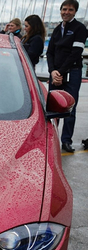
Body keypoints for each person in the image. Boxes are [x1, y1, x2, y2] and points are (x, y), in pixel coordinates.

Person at [46, 0, 88, 153]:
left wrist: (61, 72)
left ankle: (66, 141)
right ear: (60, 10)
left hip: (72, 72)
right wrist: (52, 71)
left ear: (75, 12)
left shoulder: (80, 28)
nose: (66, 12)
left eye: (70, 10)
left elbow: (76, 53)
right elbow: (50, 52)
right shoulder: (57, 29)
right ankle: (51, 138)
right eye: (64, 9)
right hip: (56, 73)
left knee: (70, 107)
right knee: (52, 107)